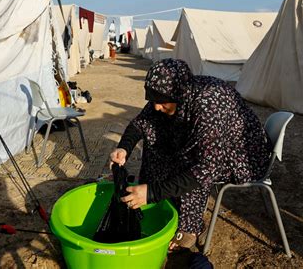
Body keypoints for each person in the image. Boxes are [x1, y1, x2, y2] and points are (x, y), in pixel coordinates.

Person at [110, 59, 272, 250]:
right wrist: (124, 148)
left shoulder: (208, 105)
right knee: (154, 140)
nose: (156, 107)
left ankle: (190, 228)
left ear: (179, 95)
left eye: (161, 102)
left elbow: (206, 168)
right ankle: (156, 201)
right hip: (213, 147)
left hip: (243, 156)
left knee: (186, 161)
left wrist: (154, 192)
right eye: (153, 100)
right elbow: (141, 123)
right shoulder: (173, 90)